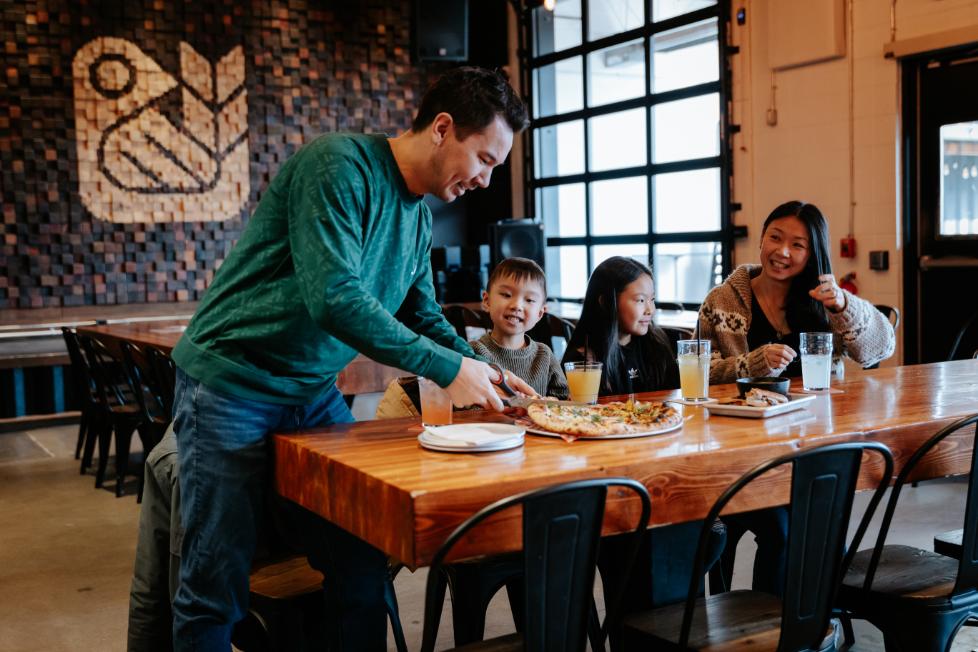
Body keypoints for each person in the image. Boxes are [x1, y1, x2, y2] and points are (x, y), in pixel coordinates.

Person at [168, 67, 532, 650]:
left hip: (309, 393)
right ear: (443, 128)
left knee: (360, 553)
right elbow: (335, 300)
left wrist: (484, 368)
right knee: (216, 584)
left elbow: (421, 311)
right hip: (232, 384)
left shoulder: (416, 215)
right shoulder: (336, 166)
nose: (486, 180)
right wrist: (446, 369)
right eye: (485, 159)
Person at [699, 200, 895, 596]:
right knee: (788, 526)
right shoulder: (723, 301)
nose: (782, 251)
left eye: (798, 245)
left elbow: (879, 349)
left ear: (812, 254)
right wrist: (752, 364)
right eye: (775, 237)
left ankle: (811, 618)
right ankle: (775, 626)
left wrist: (842, 303)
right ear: (761, 239)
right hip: (742, 453)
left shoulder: (822, 305)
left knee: (819, 514)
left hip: (813, 445)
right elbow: (697, 374)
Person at [562, 256, 724, 615]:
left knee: (697, 529)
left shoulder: (657, 345)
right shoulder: (584, 360)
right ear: (606, 302)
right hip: (616, 484)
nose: (650, 309)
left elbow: (675, 412)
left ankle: (683, 626)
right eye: (639, 300)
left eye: (652, 299)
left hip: (664, 474)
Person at [469, 257, 568, 399]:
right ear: (487, 301)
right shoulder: (474, 352)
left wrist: (546, 403)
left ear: (540, 313)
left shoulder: (544, 355)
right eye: (506, 295)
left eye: (529, 300)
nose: (516, 305)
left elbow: (562, 399)